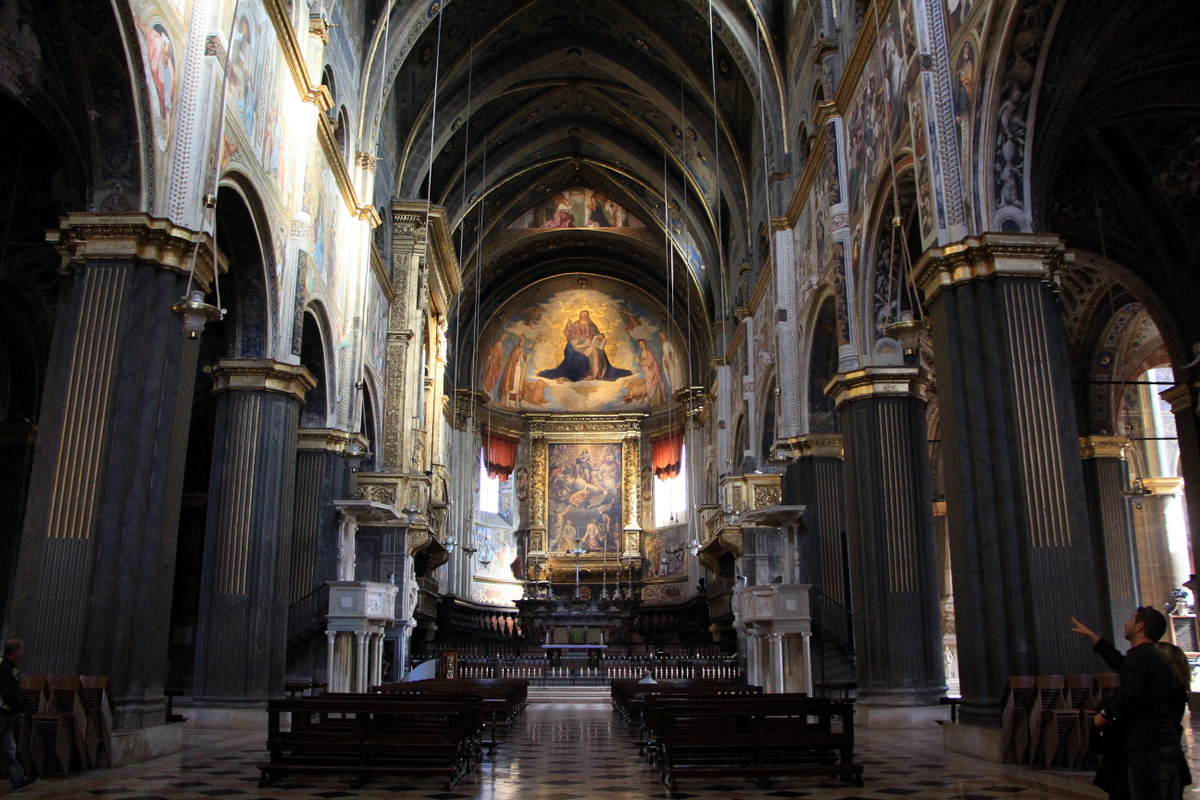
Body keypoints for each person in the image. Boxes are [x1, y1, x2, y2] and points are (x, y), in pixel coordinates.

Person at [1070, 609, 1191, 800]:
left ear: (1140, 626)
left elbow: (1131, 694)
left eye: (1131, 619)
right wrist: (1094, 638)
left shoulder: (1140, 655)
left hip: (1147, 748)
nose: (1126, 623)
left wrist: (1105, 716)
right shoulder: (1155, 659)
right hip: (1166, 746)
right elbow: (1121, 664)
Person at [0, 639, 35, 791]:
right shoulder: (5, 667)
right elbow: (7, 691)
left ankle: (18, 778)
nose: (23, 652)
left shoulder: (8, 666)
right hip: (2, 709)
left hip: (6, 711)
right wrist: (17, 708)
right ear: (15, 651)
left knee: (7, 746)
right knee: (6, 746)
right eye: (21, 649)